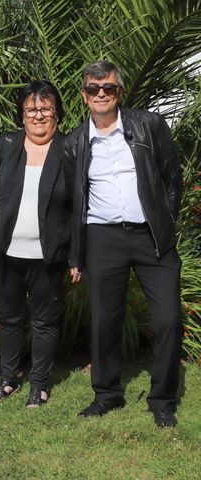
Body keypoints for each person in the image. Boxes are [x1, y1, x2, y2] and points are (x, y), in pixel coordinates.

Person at [65, 61, 182, 427]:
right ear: (84, 95)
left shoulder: (149, 125)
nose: (102, 94)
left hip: (151, 236)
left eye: (109, 88)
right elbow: (73, 200)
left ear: (120, 92)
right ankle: (107, 394)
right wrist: (76, 254)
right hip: (103, 237)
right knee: (104, 320)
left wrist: (165, 220)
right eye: (94, 88)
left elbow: (172, 177)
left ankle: (162, 399)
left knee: (168, 319)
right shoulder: (74, 143)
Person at [0, 81, 71, 407]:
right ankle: (8, 378)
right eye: (31, 109)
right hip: (8, 252)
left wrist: (77, 255)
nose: (39, 115)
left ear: (57, 113)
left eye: (46, 108)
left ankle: (39, 383)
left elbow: (79, 206)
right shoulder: (6, 146)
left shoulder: (69, 149)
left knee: (44, 321)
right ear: (21, 115)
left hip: (48, 254)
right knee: (10, 319)